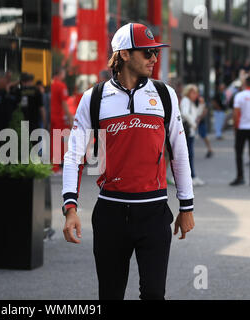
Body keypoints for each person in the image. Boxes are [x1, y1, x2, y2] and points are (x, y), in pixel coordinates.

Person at [62, 23, 195, 300]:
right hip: (110, 214)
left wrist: (186, 206)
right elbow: (73, 155)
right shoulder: (94, 97)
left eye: (155, 53)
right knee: (110, 295)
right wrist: (70, 208)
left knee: (154, 294)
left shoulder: (164, 94)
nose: (154, 59)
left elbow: (179, 152)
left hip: (154, 212)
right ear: (123, 54)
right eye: (147, 53)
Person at [180, 84, 206, 186]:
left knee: (189, 155)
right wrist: (193, 124)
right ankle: (191, 176)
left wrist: (201, 105)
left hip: (190, 132)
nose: (196, 95)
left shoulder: (190, 102)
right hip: (187, 131)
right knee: (188, 155)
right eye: (193, 92)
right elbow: (185, 114)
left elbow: (196, 114)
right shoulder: (186, 101)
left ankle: (192, 176)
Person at [51, 68, 73, 173]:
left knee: (53, 141)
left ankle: (55, 166)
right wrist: (70, 117)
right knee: (60, 141)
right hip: (59, 118)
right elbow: (64, 103)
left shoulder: (51, 84)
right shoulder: (61, 86)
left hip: (51, 117)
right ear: (61, 74)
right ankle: (56, 166)